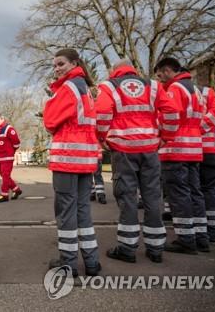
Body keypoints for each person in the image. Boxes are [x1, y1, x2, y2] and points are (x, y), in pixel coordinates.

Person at [96, 59, 179, 263]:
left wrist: (102, 137)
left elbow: (102, 113)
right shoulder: (153, 85)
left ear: (115, 71)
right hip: (150, 148)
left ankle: (127, 247)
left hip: (123, 150)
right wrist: (165, 138)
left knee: (127, 197)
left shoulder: (108, 86)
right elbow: (172, 112)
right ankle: (156, 248)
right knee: (152, 197)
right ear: (133, 69)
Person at [43, 48, 101, 277]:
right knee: (83, 210)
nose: (57, 69)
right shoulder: (84, 87)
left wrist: (50, 99)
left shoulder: (68, 87)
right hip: (85, 159)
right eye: (55, 65)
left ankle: (68, 263)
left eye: (61, 64)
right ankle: (92, 262)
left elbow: (50, 121)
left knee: (66, 213)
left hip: (68, 159)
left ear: (74, 63)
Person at [154, 58, 207, 254]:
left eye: (160, 74)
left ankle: (186, 239)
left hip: (176, 149)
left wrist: (162, 136)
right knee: (195, 192)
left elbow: (170, 115)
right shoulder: (195, 90)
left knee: (178, 195)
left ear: (168, 70)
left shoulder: (175, 89)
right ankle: (201, 236)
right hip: (194, 148)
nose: (159, 79)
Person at [198, 85, 215, 241]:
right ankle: (213, 227)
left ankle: (211, 228)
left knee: (201, 189)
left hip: (195, 150)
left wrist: (196, 129)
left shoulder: (175, 90)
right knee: (208, 189)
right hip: (207, 149)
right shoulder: (206, 92)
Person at [0, 114, 22, 203]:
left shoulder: (9, 129)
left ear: (2, 119)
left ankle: (4, 194)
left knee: (5, 175)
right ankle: (16, 189)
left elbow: (16, 142)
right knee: (3, 175)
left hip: (7, 157)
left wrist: (11, 151)